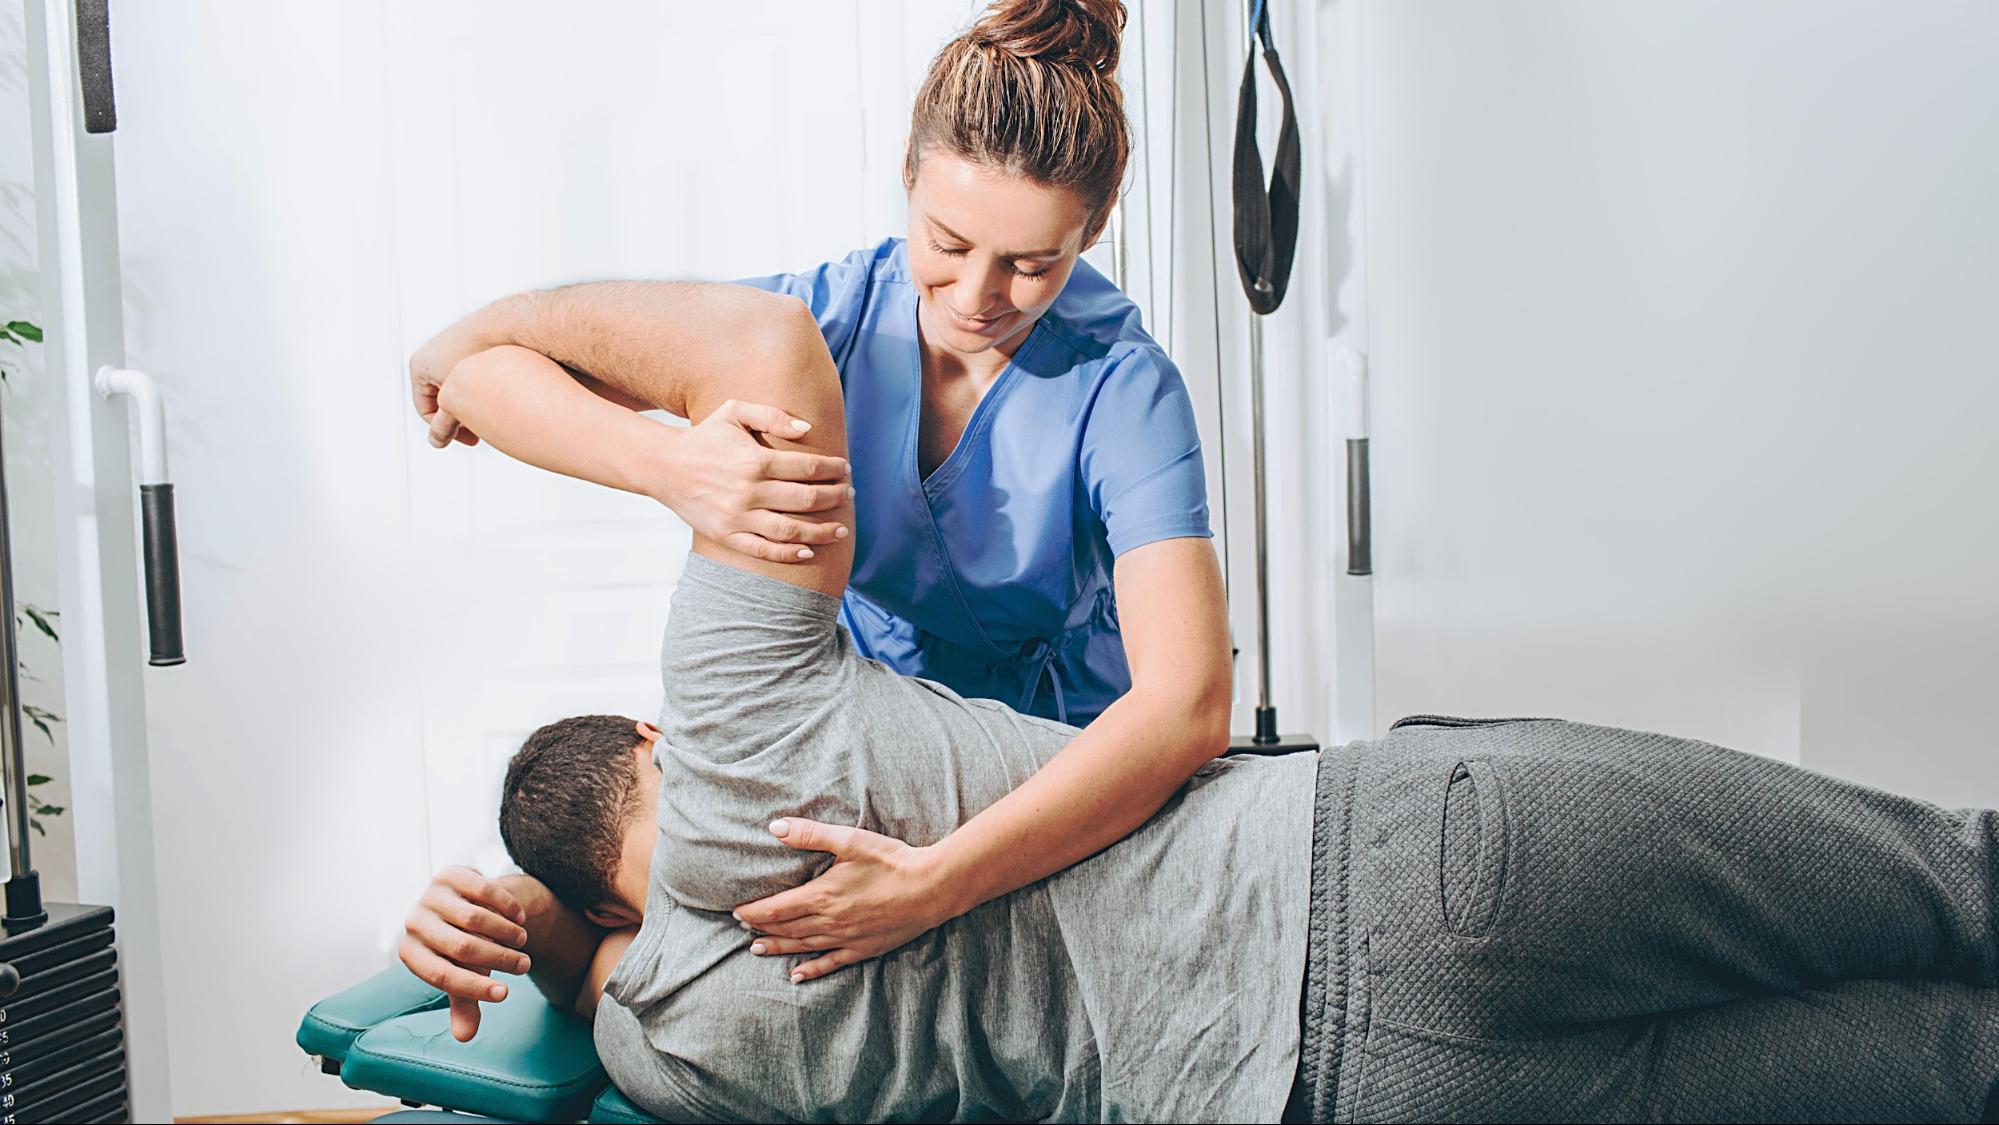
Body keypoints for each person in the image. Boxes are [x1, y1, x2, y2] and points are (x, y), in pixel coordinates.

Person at [402, 322, 1999, 1123]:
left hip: (1347, 1102)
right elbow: (753, 343)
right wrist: (497, 372)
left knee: (1948, 1069)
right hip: (1389, 870)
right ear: (656, 741)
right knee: (1954, 881)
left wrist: (537, 923)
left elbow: (593, 969)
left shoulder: (673, 1041)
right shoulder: (741, 724)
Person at [403, 0, 1233, 989]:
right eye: (948, 240)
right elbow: (487, 378)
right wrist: (669, 468)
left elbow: (1186, 706)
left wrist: (934, 884)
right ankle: (522, 920)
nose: (976, 296)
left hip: (1057, 780)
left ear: (1091, 232)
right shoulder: (830, 317)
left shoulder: (1124, 386)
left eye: (1030, 264)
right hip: (872, 749)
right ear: (907, 176)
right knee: (715, 948)